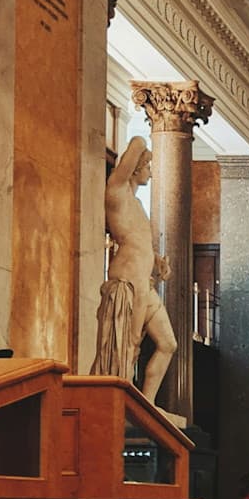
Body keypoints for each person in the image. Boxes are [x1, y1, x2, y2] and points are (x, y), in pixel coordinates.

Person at [91, 136, 177, 404]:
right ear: (136, 167)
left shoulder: (138, 205)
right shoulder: (116, 191)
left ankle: (147, 404)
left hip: (144, 282)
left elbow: (140, 241)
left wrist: (156, 263)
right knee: (126, 346)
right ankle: (115, 404)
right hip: (127, 280)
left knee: (168, 344)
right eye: (148, 167)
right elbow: (138, 142)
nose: (151, 173)